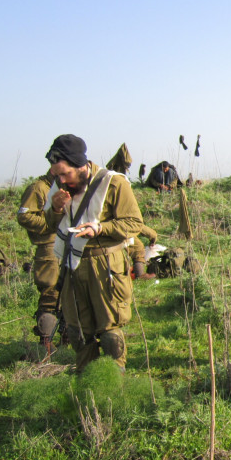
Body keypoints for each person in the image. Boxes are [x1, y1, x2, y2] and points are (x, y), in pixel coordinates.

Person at [43, 134, 143, 373]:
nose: (61, 179)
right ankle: (87, 385)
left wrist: (100, 228)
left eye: (65, 173)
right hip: (72, 265)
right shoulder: (58, 186)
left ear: (80, 165)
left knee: (111, 336)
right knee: (78, 332)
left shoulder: (113, 183)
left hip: (105, 264)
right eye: (57, 174)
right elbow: (49, 224)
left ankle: (114, 388)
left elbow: (134, 223)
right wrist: (56, 208)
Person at [17, 169, 61, 353]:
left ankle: (65, 339)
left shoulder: (61, 187)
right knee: (50, 296)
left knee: (68, 295)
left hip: (68, 246)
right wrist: (50, 223)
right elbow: (24, 216)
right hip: (49, 248)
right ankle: (46, 345)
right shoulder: (39, 188)